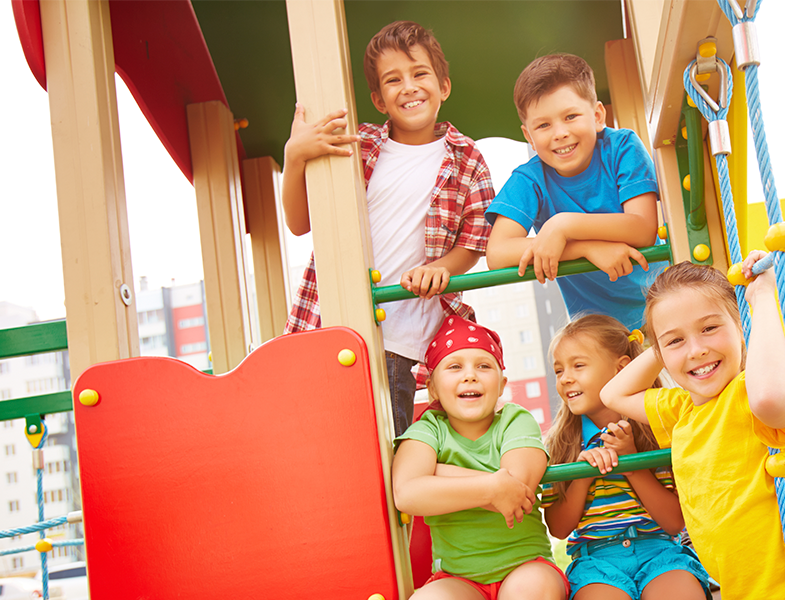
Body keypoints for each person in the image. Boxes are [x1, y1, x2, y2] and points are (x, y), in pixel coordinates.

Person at [600, 255, 785, 600]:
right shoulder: (680, 410)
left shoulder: (750, 394)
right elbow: (613, 393)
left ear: (740, 326)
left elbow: (772, 401)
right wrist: (663, 342)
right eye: (677, 341)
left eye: (709, 328)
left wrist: (762, 298)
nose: (697, 350)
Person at [280, 21, 494, 437]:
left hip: (401, 335)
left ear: (443, 86)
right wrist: (294, 158)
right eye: (393, 80)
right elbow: (299, 221)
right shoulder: (357, 147)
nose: (409, 87)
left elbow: (474, 240)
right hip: (332, 323)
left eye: (419, 74)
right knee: (321, 435)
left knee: (383, 442)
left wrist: (444, 267)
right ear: (379, 99)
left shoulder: (467, 157)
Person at [393, 315, 569, 600]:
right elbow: (407, 493)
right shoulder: (428, 429)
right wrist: (492, 487)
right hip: (457, 578)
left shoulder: (515, 419)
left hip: (525, 565)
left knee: (532, 590)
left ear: (502, 384)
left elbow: (517, 488)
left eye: (484, 366)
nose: (470, 375)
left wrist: (437, 474)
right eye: (454, 367)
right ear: (433, 389)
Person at [485, 54, 663, 330]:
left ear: (597, 116)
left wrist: (563, 225)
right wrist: (587, 248)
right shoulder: (530, 179)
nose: (559, 133)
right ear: (529, 136)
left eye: (570, 116)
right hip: (600, 330)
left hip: (661, 302)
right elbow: (497, 253)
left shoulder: (622, 147)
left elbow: (643, 228)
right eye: (543, 125)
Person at [542, 314, 709, 600]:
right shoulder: (562, 444)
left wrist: (632, 463)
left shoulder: (656, 431)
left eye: (578, 365)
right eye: (558, 371)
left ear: (621, 369)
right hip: (596, 563)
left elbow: (674, 523)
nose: (566, 378)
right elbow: (558, 528)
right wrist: (583, 475)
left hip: (660, 553)